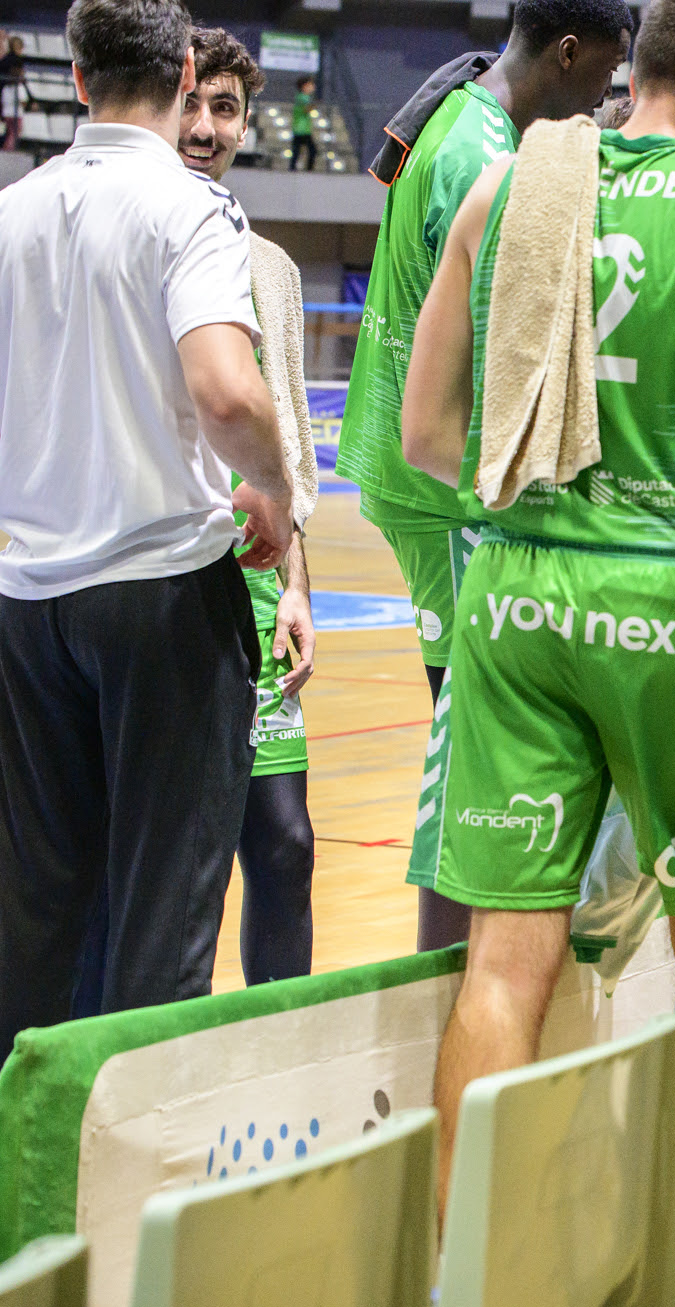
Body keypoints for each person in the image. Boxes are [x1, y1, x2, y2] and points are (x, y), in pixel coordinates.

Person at [399, 0, 675, 1209]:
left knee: (501, 967)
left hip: (517, 596)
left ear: (632, 73)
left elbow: (428, 437)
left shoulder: (512, 188)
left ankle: (454, 1281)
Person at [0, 0, 294, 1051]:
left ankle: (25, 1170)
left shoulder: (12, 209)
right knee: (163, 903)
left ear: (74, 79)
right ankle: (133, 1184)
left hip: (29, 603)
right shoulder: (189, 209)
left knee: (36, 907)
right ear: (180, 74)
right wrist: (273, 484)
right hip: (163, 592)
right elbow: (225, 389)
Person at [335, 0, 631, 951]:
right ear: (569, 51)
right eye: (605, 74)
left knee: (465, 733)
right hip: (443, 482)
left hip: (413, 471)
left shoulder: (463, 108)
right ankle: (452, 967)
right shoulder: (480, 159)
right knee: (471, 751)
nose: (606, 97)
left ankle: (461, 961)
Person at [179, 27, 321, 984]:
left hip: (262, 589)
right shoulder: (130, 239)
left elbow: (293, 449)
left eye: (224, 108)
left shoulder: (271, 267)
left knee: (285, 846)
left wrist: (300, 586)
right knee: (177, 865)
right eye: (190, 104)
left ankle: (281, 1048)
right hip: (160, 585)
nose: (204, 128)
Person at [0, 34, 25, 153]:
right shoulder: (15, 61)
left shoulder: (5, 60)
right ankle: (8, 151)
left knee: (9, 129)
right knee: (13, 131)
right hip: (9, 105)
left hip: (5, 102)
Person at [289, 74, 316, 170]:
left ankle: (292, 168)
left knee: (297, 151)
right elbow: (307, 109)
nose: (313, 87)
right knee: (312, 150)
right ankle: (308, 169)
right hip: (302, 129)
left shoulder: (300, 97)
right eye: (310, 85)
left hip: (300, 128)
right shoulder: (303, 98)